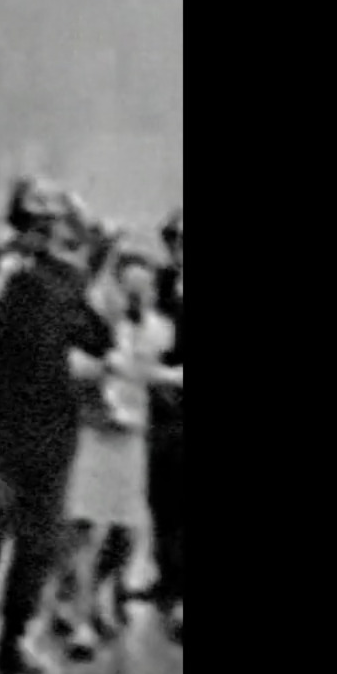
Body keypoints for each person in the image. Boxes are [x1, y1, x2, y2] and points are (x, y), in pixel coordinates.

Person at [0, 186, 113, 674]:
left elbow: (97, 337)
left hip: (52, 426)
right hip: (0, 423)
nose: (43, 235)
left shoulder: (67, 278)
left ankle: (12, 637)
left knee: (37, 542)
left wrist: (86, 290)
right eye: (38, 225)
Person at [53, 237, 174, 658]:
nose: (136, 294)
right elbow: (69, 363)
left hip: (133, 432)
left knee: (125, 530)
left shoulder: (157, 327)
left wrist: (162, 375)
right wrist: (102, 367)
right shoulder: (89, 319)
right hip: (93, 429)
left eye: (144, 285)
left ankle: (100, 594)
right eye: (129, 284)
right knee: (84, 526)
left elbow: (150, 369)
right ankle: (79, 616)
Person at [147, 209, 184, 640]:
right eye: (175, 241)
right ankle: (167, 578)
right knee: (162, 501)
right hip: (161, 411)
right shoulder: (157, 286)